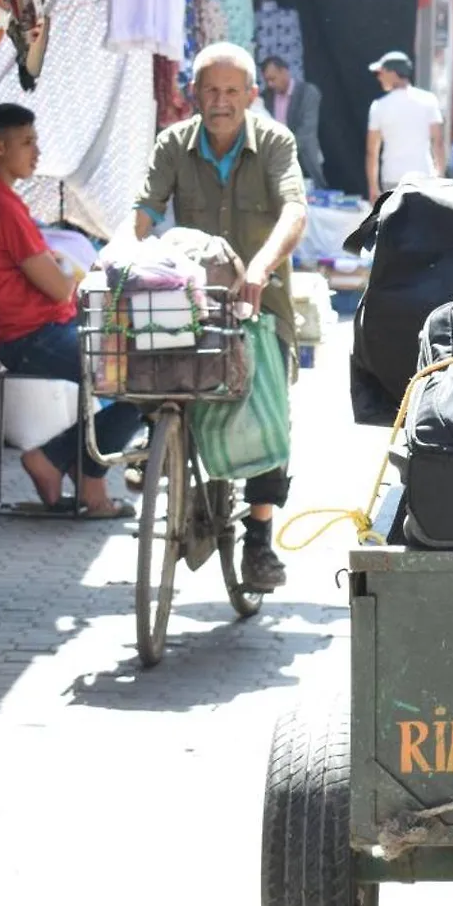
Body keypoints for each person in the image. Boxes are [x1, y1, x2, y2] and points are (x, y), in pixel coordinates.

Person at [133, 42, 306, 592]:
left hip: (261, 304)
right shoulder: (173, 145)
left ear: (251, 96)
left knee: (264, 409)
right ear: (194, 96)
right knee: (146, 366)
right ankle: (159, 446)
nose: (221, 101)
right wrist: (120, 258)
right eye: (211, 90)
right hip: (193, 300)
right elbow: (145, 214)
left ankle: (259, 538)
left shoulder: (275, 142)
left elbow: (295, 211)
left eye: (232, 91)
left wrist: (258, 269)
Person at [0, 104, 141, 519]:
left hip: (41, 329)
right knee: (142, 384)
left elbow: (57, 275)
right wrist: (62, 270)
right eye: (27, 142)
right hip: (32, 337)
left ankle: (65, 464)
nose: (36, 152)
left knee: (136, 368)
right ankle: (76, 472)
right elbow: (59, 283)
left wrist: (61, 270)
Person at [364, 50, 444, 202]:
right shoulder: (429, 101)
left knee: (395, 224)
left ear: (393, 73)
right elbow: (438, 142)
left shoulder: (379, 106)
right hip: (423, 176)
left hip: (392, 177)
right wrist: (439, 175)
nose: (379, 77)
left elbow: (372, 151)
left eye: (381, 73)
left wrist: (373, 188)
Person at [260, 56, 324, 187]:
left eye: (273, 79)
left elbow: (306, 131)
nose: (270, 84)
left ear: (284, 72)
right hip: (273, 164)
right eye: (267, 81)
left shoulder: (308, 93)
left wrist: (281, 150)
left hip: (304, 161)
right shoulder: (265, 97)